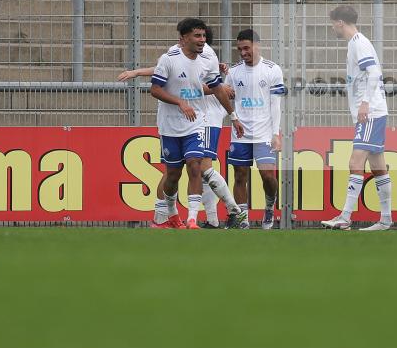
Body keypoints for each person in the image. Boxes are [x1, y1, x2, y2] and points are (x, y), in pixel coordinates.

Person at [118, 26, 244, 229]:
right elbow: (166, 74)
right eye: (196, 36)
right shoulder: (173, 55)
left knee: (199, 167)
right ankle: (167, 217)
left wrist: (230, 110)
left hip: (204, 118)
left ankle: (223, 212)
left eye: (203, 36)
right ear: (184, 39)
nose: (200, 40)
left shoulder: (206, 55)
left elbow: (207, 86)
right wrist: (138, 72)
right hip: (173, 122)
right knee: (174, 172)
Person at [321, 5, 394, 231]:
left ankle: (345, 217)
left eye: (333, 23)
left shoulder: (359, 43)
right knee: (378, 167)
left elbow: (374, 73)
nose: (333, 27)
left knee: (355, 162)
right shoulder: (356, 43)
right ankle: (386, 219)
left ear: (340, 22)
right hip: (373, 112)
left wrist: (364, 103)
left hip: (370, 113)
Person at [225, 29, 286, 231]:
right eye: (240, 49)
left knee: (268, 176)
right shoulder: (233, 72)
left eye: (247, 48)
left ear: (257, 46)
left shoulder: (272, 69)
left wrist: (276, 134)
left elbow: (275, 105)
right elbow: (225, 96)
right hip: (241, 134)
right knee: (240, 176)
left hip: (264, 134)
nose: (243, 53)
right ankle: (242, 218)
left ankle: (269, 207)